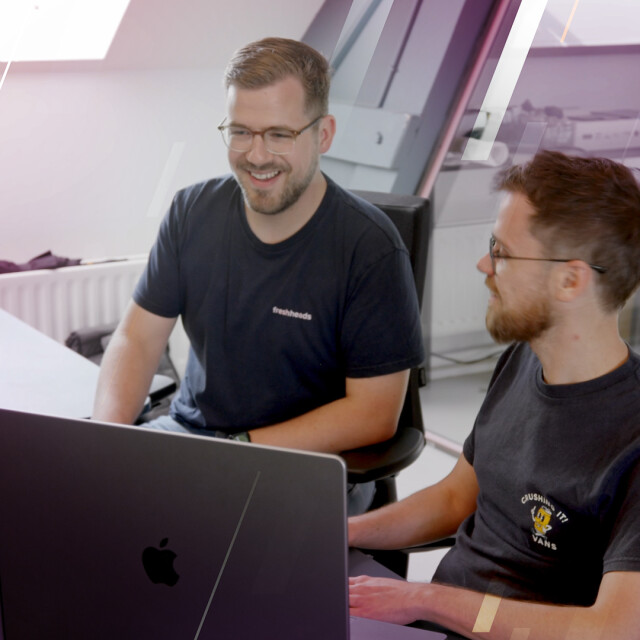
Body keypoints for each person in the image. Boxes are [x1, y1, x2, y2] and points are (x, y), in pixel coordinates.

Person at [91, 37, 425, 515]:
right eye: (241, 132)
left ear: (324, 134)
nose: (257, 155)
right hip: (191, 437)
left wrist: (238, 449)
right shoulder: (191, 212)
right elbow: (138, 339)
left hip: (304, 461)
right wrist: (106, 440)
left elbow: (374, 414)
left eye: (279, 134)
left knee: (196, 539)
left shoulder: (370, 248)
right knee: (76, 513)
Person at [348, 150, 640, 638]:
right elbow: (455, 498)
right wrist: (344, 532)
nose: (484, 264)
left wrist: (425, 599)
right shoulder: (524, 360)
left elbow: (613, 629)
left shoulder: (630, 438)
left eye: (502, 252)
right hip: (431, 621)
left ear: (570, 280)